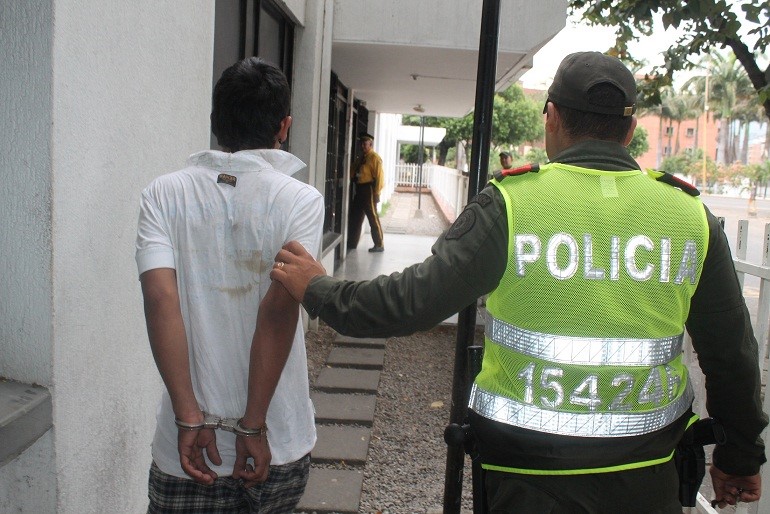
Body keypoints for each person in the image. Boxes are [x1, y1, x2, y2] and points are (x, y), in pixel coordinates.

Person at [270, 52, 767, 512]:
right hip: (647, 475)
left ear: (549, 116)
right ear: (632, 129)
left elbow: (411, 302)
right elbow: (732, 355)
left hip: (527, 477)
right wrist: (740, 457)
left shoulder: (511, 204)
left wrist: (318, 287)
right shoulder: (689, 216)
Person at [136, 57, 323, 513]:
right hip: (277, 435)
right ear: (284, 126)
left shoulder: (163, 194)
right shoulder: (300, 200)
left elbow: (161, 300)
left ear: (216, 121)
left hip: (185, 446)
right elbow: (279, 310)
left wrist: (188, 416)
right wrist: (253, 427)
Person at [347, 132, 385, 252]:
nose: (363, 146)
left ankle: (379, 244)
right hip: (359, 189)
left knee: (373, 218)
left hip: (368, 190)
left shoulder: (374, 158)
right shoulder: (361, 158)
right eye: (361, 144)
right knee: (355, 217)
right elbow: (352, 170)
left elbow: (380, 177)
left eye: (365, 144)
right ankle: (352, 242)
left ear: (371, 144)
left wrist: (377, 193)